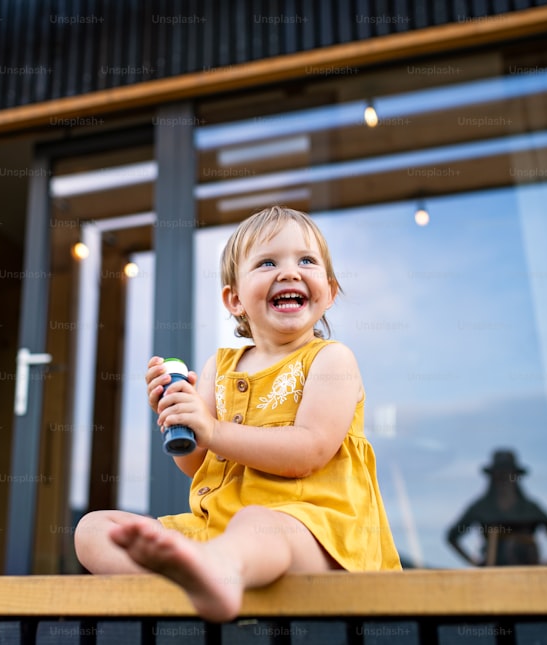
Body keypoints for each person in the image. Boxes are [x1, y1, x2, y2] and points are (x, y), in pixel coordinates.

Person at [74, 206, 401, 622]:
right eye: (267, 262)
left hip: (315, 534)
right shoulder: (219, 368)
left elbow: (310, 450)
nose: (289, 272)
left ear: (330, 291)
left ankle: (214, 573)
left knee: (258, 523)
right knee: (94, 529)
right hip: (220, 533)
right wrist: (183, 418)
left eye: (306, 260)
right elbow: (197, 465)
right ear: (233, 298)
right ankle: (191, 577)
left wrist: (210, 427)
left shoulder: (331, 359)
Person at [446, 449, 547, 566]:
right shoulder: (481, 508)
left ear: (515, 478)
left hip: (529, 576)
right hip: (494, 577)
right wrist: (476, 564)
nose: (504, 480)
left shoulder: (530, 508)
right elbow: (453, 536)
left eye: (508, 475)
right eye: (499, 475)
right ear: (492, 478)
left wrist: (546, 567)